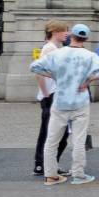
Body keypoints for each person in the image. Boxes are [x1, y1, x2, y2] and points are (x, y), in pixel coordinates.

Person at [29, 23, 99, 186]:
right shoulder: (90, 56)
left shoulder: (58, 54)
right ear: (86, 38)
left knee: (51, 140)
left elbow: (35, 67)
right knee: (78, 140)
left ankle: (50, 175)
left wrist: (53, 76)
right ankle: (79, 175)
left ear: (71, 36)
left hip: (60, 102)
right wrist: (88, 81)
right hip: (80, 102)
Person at [33, 21, 70, 176]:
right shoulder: (49, 48)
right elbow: (38, 71)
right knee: (51, 132)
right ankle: (42, 164)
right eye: (64, 31)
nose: (67, 34)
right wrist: (46, 94)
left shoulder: (56, 48)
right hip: (51, 95)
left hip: (55, 94)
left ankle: (48, 163)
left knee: (59, 132)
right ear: (55, 32)